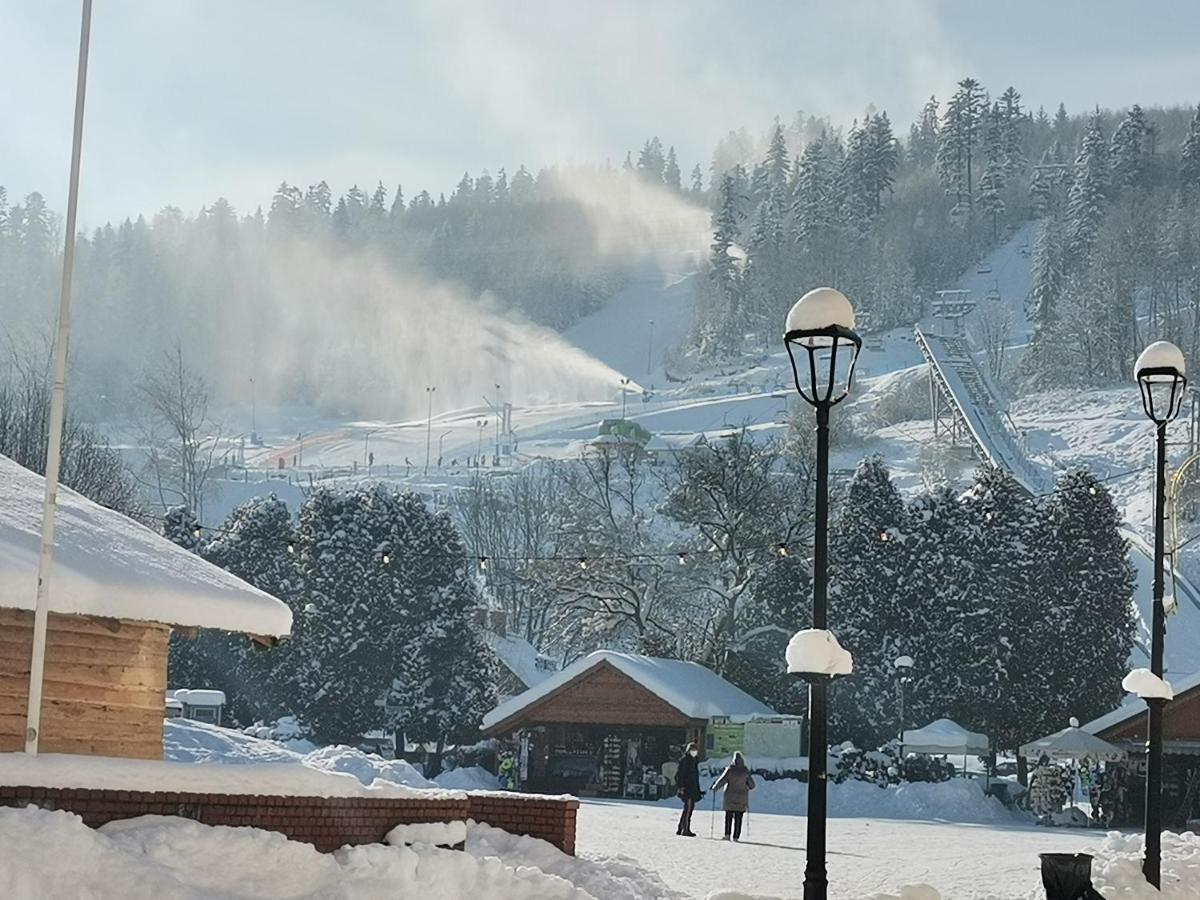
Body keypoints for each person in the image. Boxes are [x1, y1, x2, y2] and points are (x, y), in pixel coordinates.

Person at [711, 751, 756, 841]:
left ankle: (727, 834)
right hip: (741, 798)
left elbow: (722, 780)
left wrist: (715, 787)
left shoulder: (730, 770)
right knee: (738, 818)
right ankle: (736, 836)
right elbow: (752, 785)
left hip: (730, 797)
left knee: (728, 817)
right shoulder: (745, 771)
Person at [674, 742, 703, 836]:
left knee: (688, 809)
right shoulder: (685, 760)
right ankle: (685, 829)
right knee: (688, 809)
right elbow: (680, 775)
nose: (694, 752)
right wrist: (681, 786)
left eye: (695, 750)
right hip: (687, 788)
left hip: (693, 788)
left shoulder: (694, 761)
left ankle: (681, 827)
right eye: (692, 750)